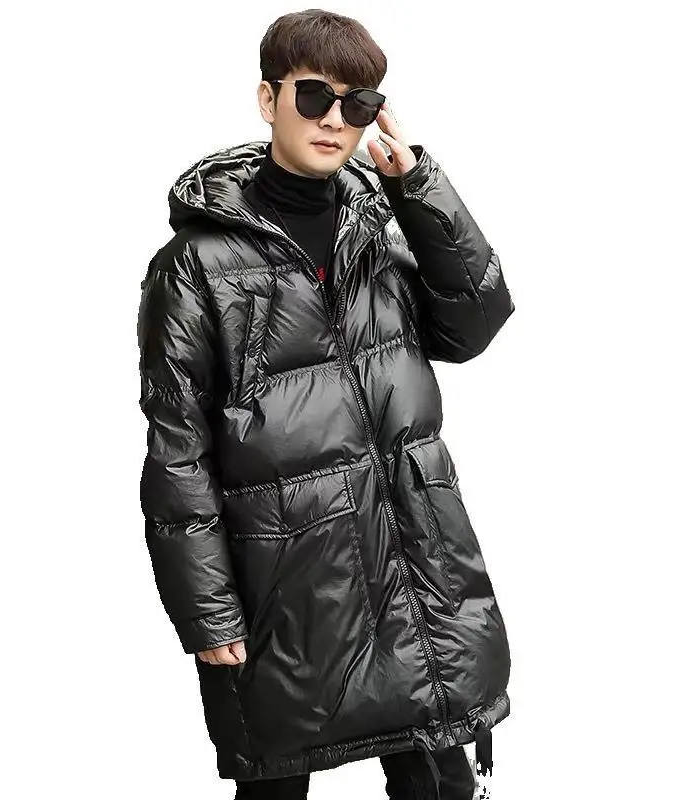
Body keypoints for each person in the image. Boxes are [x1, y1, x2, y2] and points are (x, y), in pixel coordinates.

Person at [137, 9, 514, 799]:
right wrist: (207, 612)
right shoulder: (194, 266)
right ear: (267, 98)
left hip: (415, 568)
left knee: (443, 782)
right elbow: (178, 452)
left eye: (359, 103)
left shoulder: (379, 224)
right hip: (288, 589)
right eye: (314, 97)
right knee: (276, 787)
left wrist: (417, 185)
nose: (335, 120)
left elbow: (474, 322)